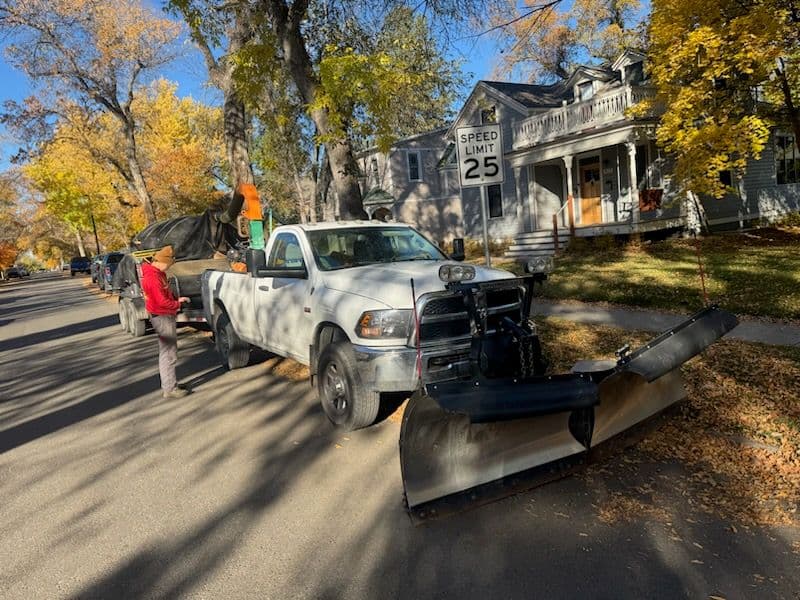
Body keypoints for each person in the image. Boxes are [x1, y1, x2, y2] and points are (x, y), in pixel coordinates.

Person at [140, 245, 191, 399]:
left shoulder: (157, 274)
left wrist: (176, 300)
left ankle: (171, 383)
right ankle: (170, 388)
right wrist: (178, 304)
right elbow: (162, 301)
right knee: (169, 353)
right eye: (169, 264)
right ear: (162, 262)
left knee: (168, 352)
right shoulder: (153, 278)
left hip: (163, 315)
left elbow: (165, 296)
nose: (169, 267)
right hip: (162, 316)